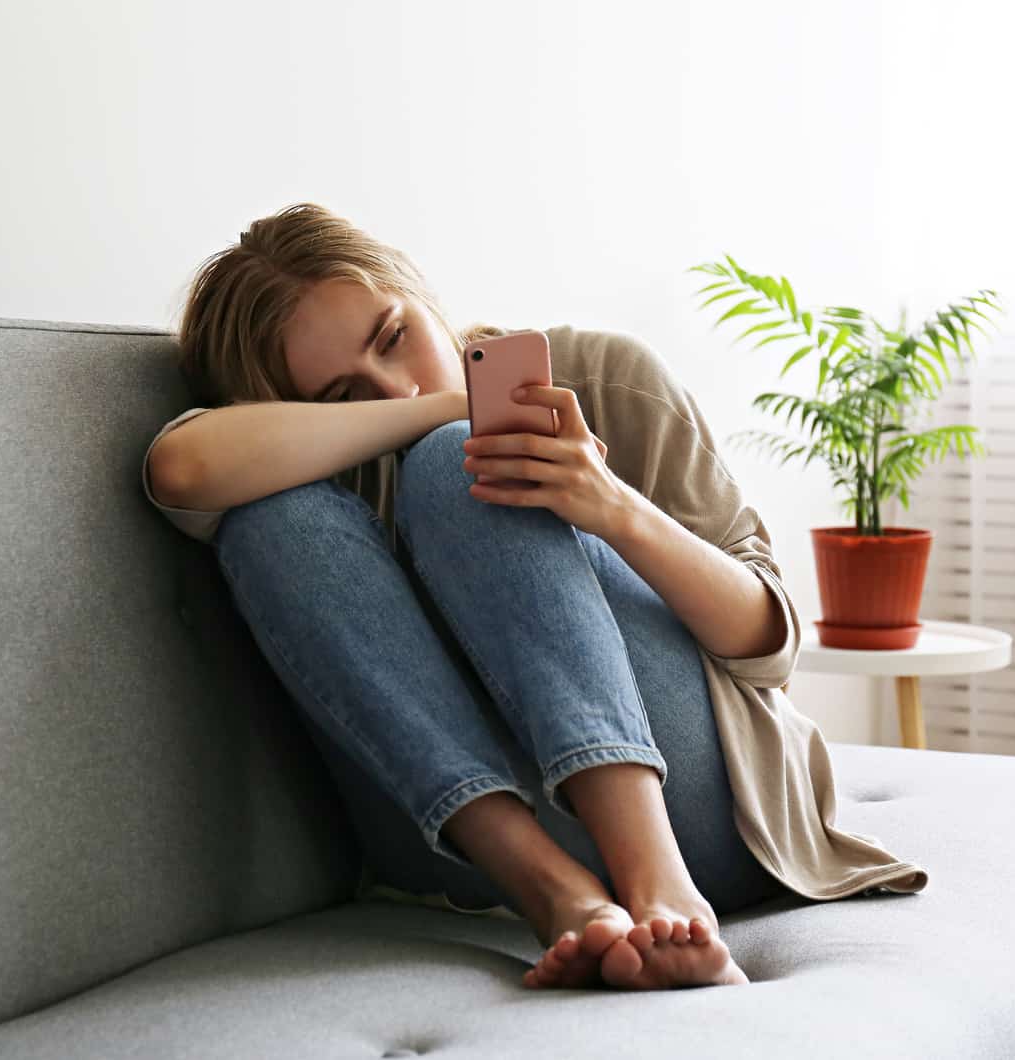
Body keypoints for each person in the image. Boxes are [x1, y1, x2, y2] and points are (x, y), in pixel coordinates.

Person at [141, 202, 929, 992]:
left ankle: (658, 883)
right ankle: (562, 898)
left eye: (393, 336)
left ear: (417, 289)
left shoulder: (605, 374)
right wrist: (446, 409)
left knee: (460, 463)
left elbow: (772, 648)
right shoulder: (307, 458)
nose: (395, 382)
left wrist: (611, 506)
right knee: (274, 518)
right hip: (463, 853)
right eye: (341, 395)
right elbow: (180, 469)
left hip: (704, 819)